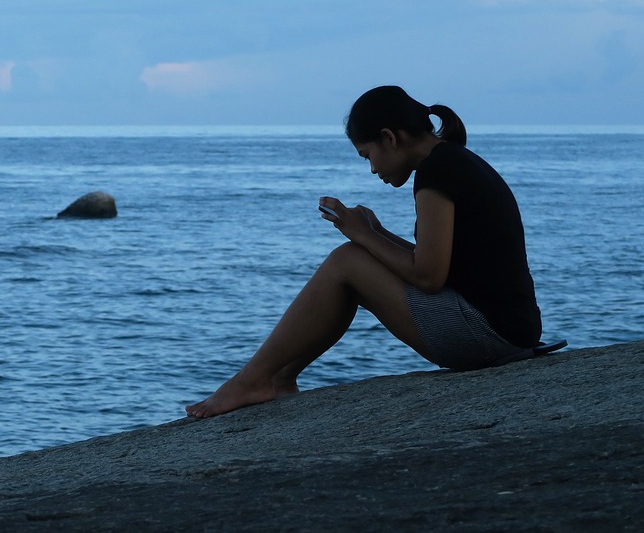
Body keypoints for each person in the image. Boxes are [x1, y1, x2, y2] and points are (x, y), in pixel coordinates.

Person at [186, 85, 542, 419]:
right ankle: (278, 378)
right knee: (352, 257)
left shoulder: (437, 171)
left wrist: (363, 236)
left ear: (390, 138)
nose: (372, 168)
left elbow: (429, 277)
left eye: (368, 155)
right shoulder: (455, 161)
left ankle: (253, 380)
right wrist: (376, 233)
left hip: (488, 335)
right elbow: (444, 266)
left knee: (346, 262)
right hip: (510, 332)